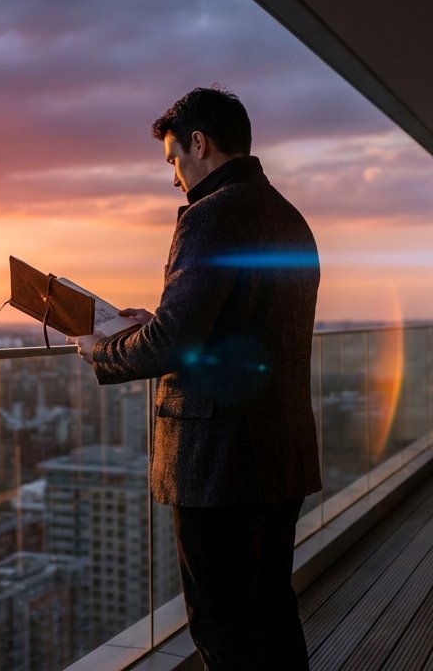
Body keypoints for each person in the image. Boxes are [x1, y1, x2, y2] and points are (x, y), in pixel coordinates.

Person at [70, 87, 321, 669]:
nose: (174, 178)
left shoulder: (210, 217)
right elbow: (238, 323)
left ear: (199, 144)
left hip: (218, 460)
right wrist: (152, 319)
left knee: (222, 625)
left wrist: (101, 349)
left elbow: (174, 343)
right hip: (279, 450)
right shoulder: (288, 217)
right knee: (271, 610)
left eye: (173, 160)